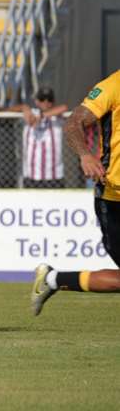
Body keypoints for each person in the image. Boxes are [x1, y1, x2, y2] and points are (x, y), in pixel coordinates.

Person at [32, 71, 120, 315]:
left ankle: (52, 279)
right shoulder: (112, 86)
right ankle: (53, 279)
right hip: (113, 198)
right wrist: (85, 155)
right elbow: (73, 123)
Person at [20, 86, 68, 188]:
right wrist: (24, 108)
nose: (46, 102)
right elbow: (11, 108)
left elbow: (64, 107)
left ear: (53, 102)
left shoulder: (56, 116)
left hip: (54, 176)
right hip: (31, 176)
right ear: (36, 101)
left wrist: (42, 116)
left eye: (49, 99)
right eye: (42, 99)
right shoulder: (30, 113)